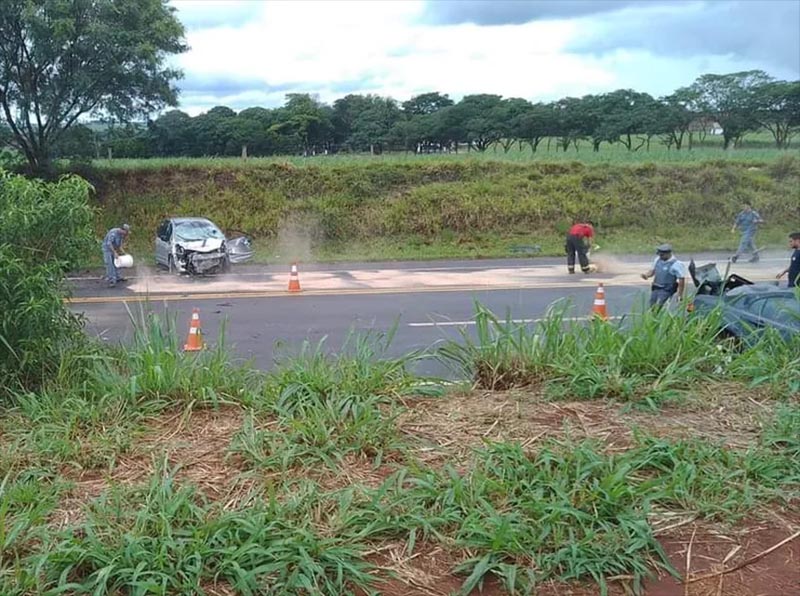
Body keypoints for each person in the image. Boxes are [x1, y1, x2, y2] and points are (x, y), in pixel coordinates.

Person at [641, 243, 688, 308]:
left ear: (668, 254)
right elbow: (652, 271)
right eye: (659, 255)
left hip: (666, 289)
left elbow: (681, 280)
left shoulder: (676, 264)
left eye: (662, 255)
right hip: (656, 287)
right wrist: (646, 275)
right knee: (652, 304)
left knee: (659, 305)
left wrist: (680, 294)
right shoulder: (657, 260)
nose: (660, 257)